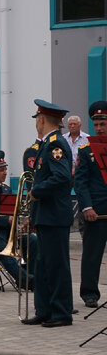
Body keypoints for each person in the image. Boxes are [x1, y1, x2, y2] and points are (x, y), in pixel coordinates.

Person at [21, 99, 75, 327]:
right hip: (46, 216)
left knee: (56, 265)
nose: (36, 124)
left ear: (41, 120)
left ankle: (61, 313)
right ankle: (44, 310)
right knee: (42, 265)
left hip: (54, 216)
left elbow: (62, 177)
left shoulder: (55, 145)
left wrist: (36, 192)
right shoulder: (47, 145)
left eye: (37, 119)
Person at [0, 150, 34, 288]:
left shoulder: (6, 189)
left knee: (33, 241)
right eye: (1, 170)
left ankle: (32, 274)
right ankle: (26, 281)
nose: (5, 173)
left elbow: (12, 212)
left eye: (5, 169)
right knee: (3, 248)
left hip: (8, 231)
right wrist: (7, 220)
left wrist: (20, 222)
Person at [73, 102, 107, 308]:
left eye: (103, 123)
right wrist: (87, 207)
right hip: (96, 211)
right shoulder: (86, 150)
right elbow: (81, 182)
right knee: (92, 255)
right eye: (96, 124)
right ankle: (89, 293)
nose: (100, 128)